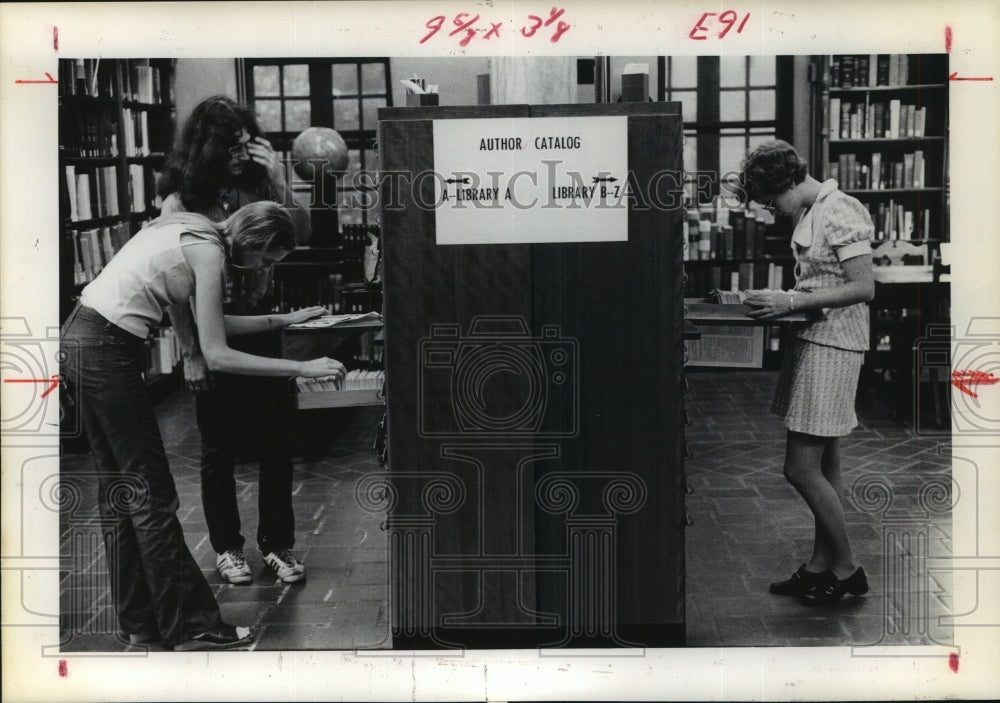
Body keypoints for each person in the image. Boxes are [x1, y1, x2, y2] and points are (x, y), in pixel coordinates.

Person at [61, 202, 345, 650]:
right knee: (153, 495)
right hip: (106, 348)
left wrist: (282, 320)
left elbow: (206, 322)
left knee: (121, 490)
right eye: (267, 260)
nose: (262, 270)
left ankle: (140, 622)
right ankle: (193, 624)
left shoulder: (196, 230)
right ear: (254, 243)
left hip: (82, 336)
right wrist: (301, 367)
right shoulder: (210, 253)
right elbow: (217, 353)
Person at [156, 95, 313, 585]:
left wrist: (279, 178)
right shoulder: (180, 201)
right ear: (208, 149)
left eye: (247, 143)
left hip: (259, 322)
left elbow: (298, 234)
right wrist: (192, 353)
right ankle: (227, 548)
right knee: (217, 448)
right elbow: (176, 292)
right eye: (232, 147)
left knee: (277, 442)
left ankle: (278, 545)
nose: (243, 154)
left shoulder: (258, 183)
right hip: (207, 333)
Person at [738, 140, 874, 606]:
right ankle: (820, 566)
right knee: (825, 464)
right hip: (817, 340)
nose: (773, 210)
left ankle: (848, 568)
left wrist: (791, 301)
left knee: (799, 468)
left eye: (772, 201)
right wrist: (785, 299)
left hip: (834, 346)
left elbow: (863, 287)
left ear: (790, 183)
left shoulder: (840, 209)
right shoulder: (812, 211)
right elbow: (825, 280)